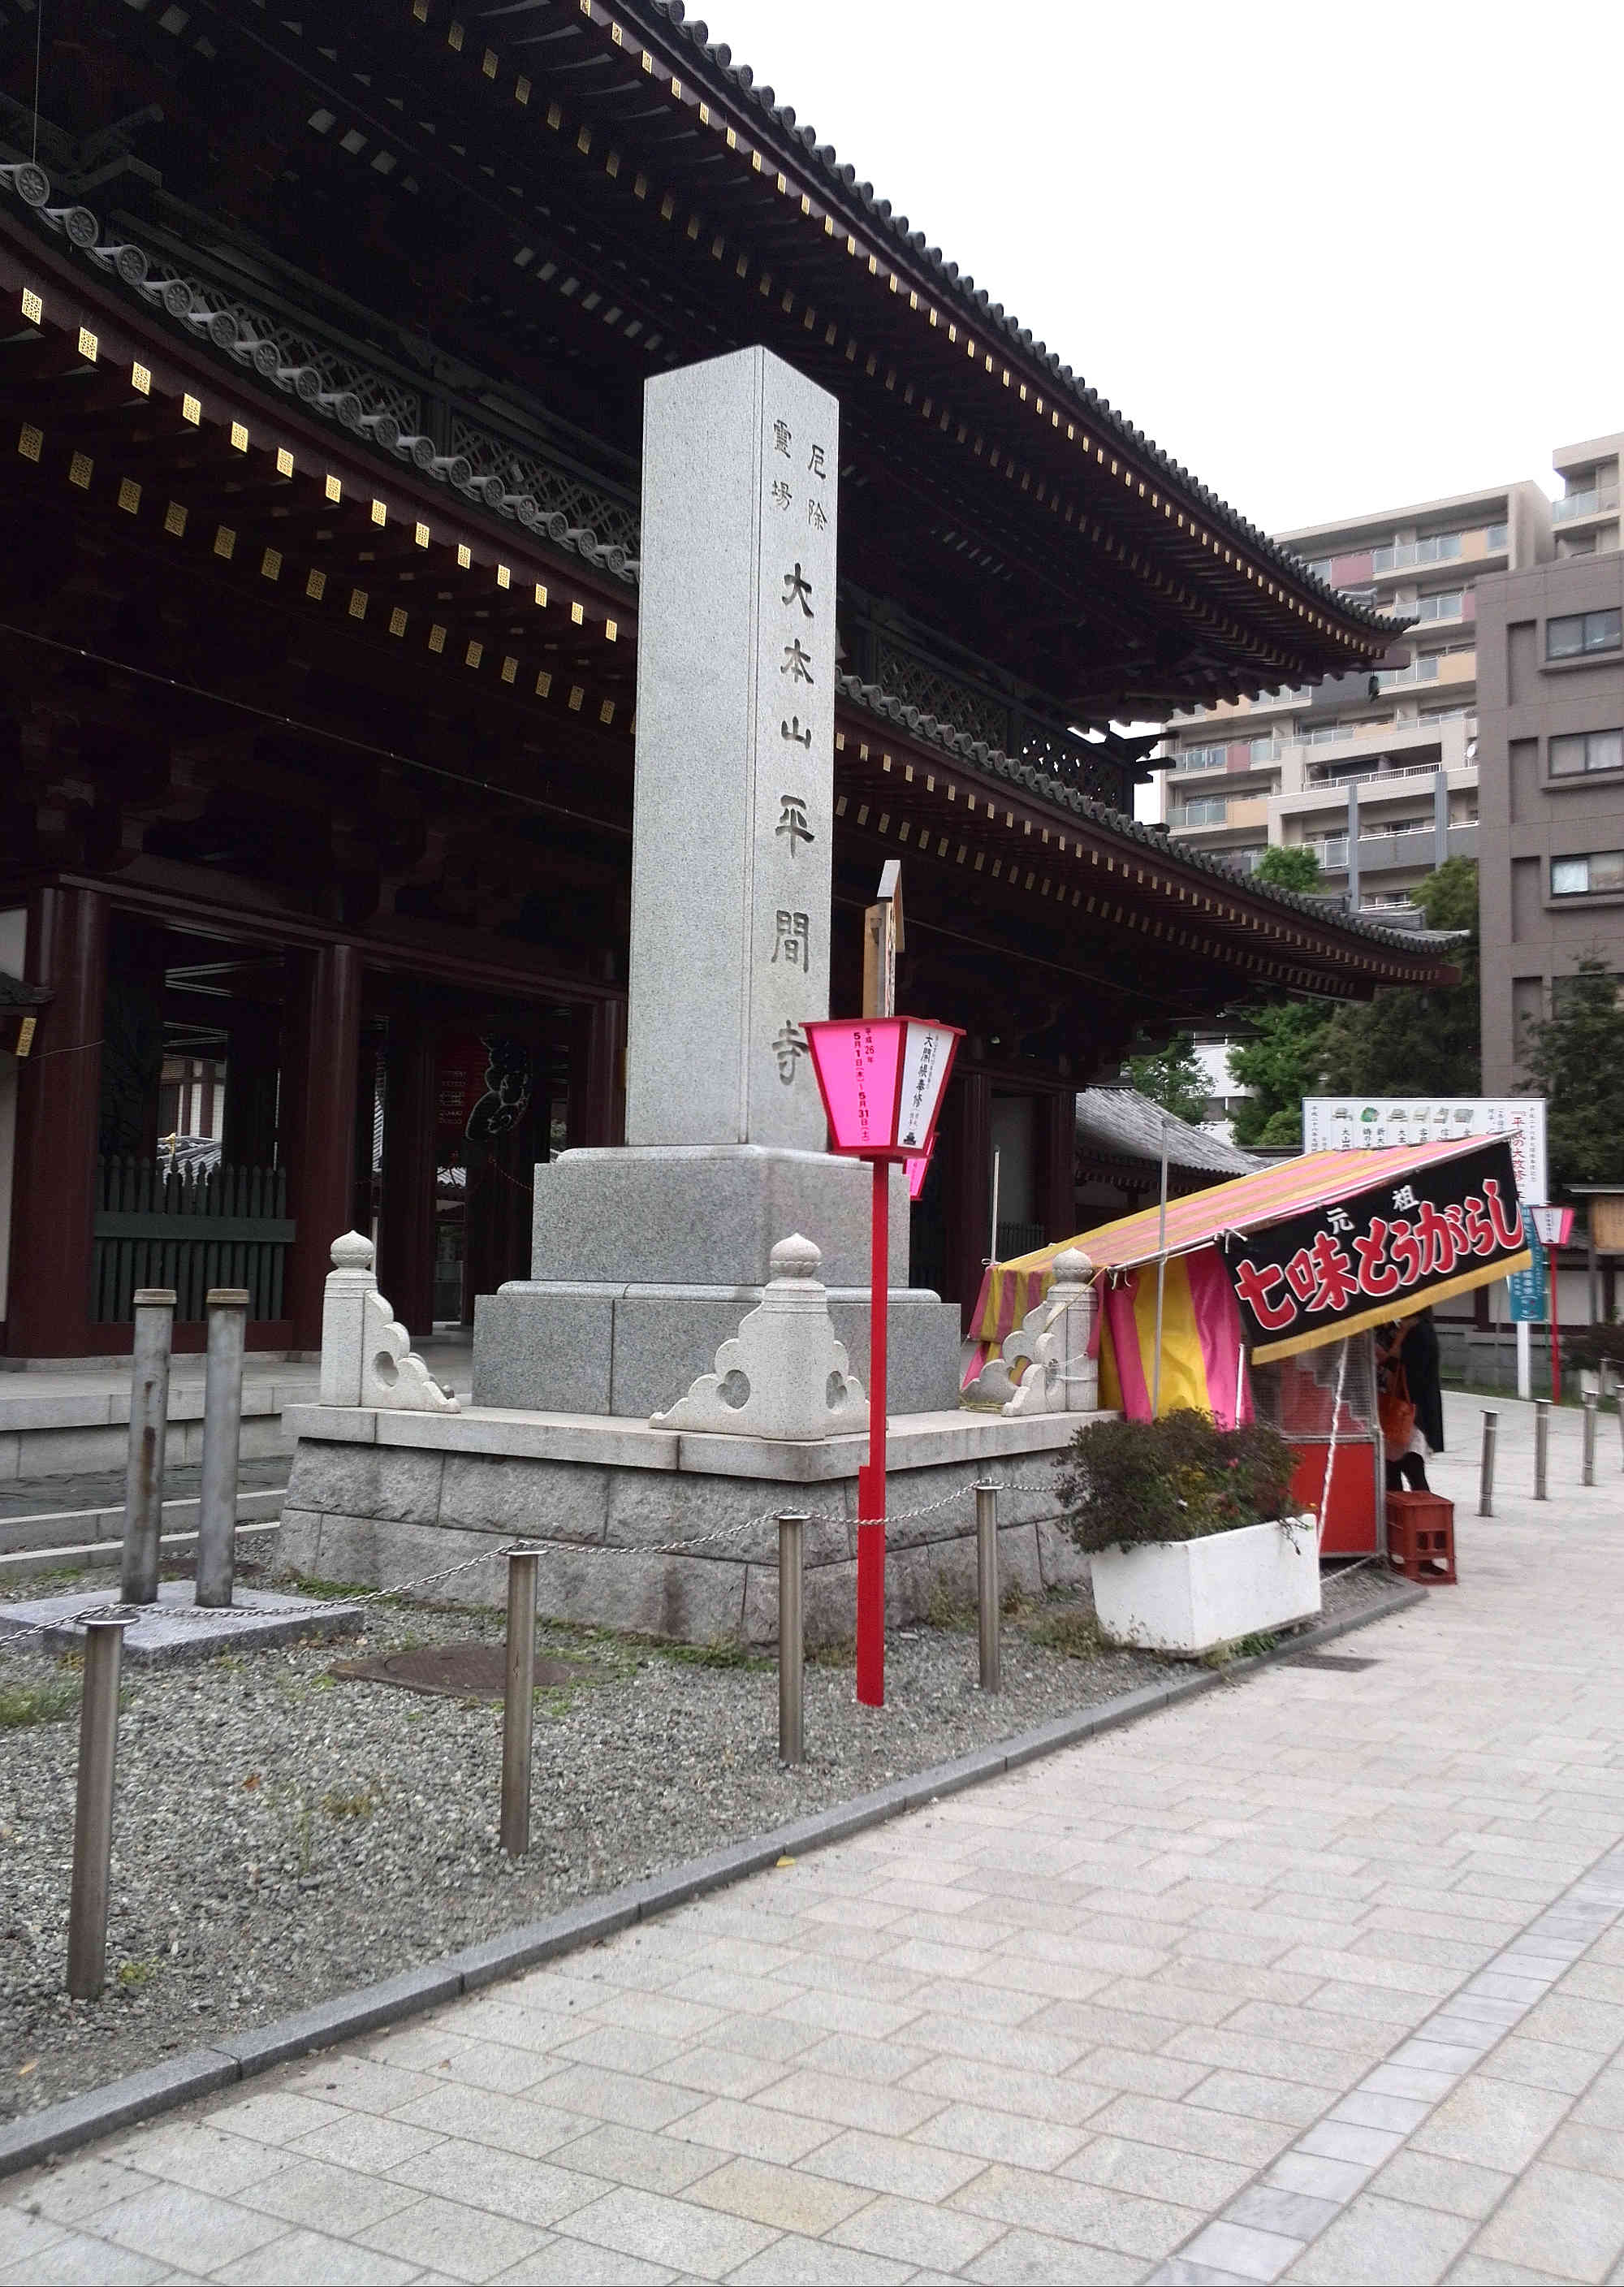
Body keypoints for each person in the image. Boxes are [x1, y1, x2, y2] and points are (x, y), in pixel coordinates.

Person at [1378, 1307, 1444, 1493]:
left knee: (1411, 1468)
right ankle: (1397, 1516)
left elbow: (1399, 1363)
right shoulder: (1415, 1328)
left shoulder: (1418, 1331)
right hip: (1405, 1411)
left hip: (1410, 1413)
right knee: (1393, 1469)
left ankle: (1423, 1516)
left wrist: (1400, 1337)